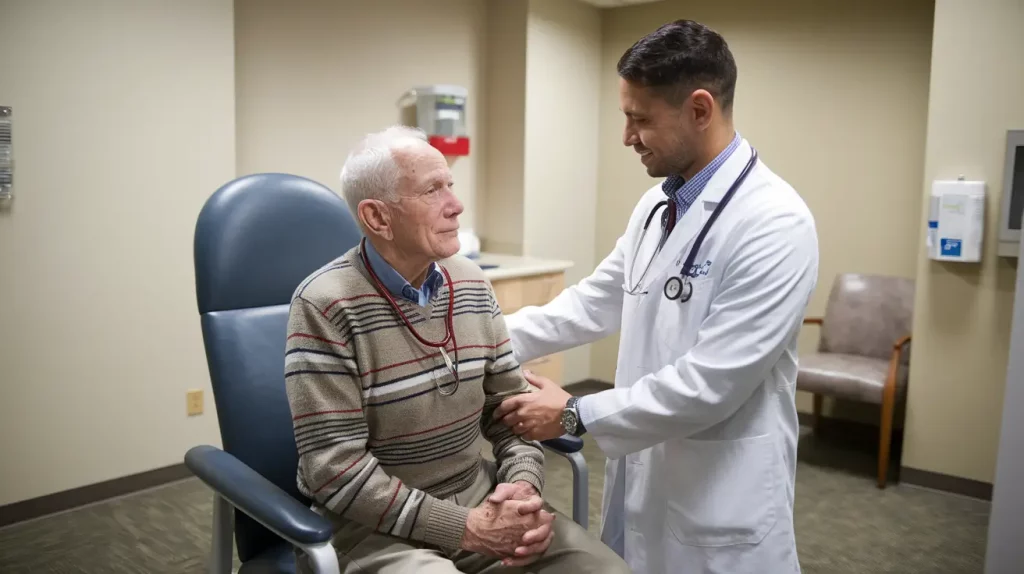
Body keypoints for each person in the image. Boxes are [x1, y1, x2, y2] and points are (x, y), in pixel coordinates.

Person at [493, 19, 819, 574]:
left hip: (720, 497)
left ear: (699, 109)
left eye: (639, 118)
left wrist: (574, 413)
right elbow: (595, 301)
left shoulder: (775, 223)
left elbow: (711, 384)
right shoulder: (656, 207)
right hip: (648, 472)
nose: (627, 136)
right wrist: (486, 340)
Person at [284, 125, 630, 573]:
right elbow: (335, 471)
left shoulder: (469, 281)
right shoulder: (324, 306)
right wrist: (465, 527)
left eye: (450, 184)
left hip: (481, 498)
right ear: (378, 218)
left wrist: (521, 491)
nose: (456, 204)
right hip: (372, 528)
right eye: (433, 190)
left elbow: (511, 412)